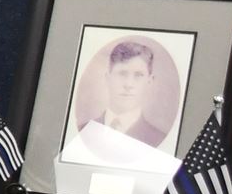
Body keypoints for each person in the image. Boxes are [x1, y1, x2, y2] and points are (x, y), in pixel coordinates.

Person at [62, 38, 180, 173]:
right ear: (108, 78)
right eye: (122, 74)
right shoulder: (81, 133)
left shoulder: (158, 139)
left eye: (138, 75)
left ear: (149, 81)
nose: (128, 84)